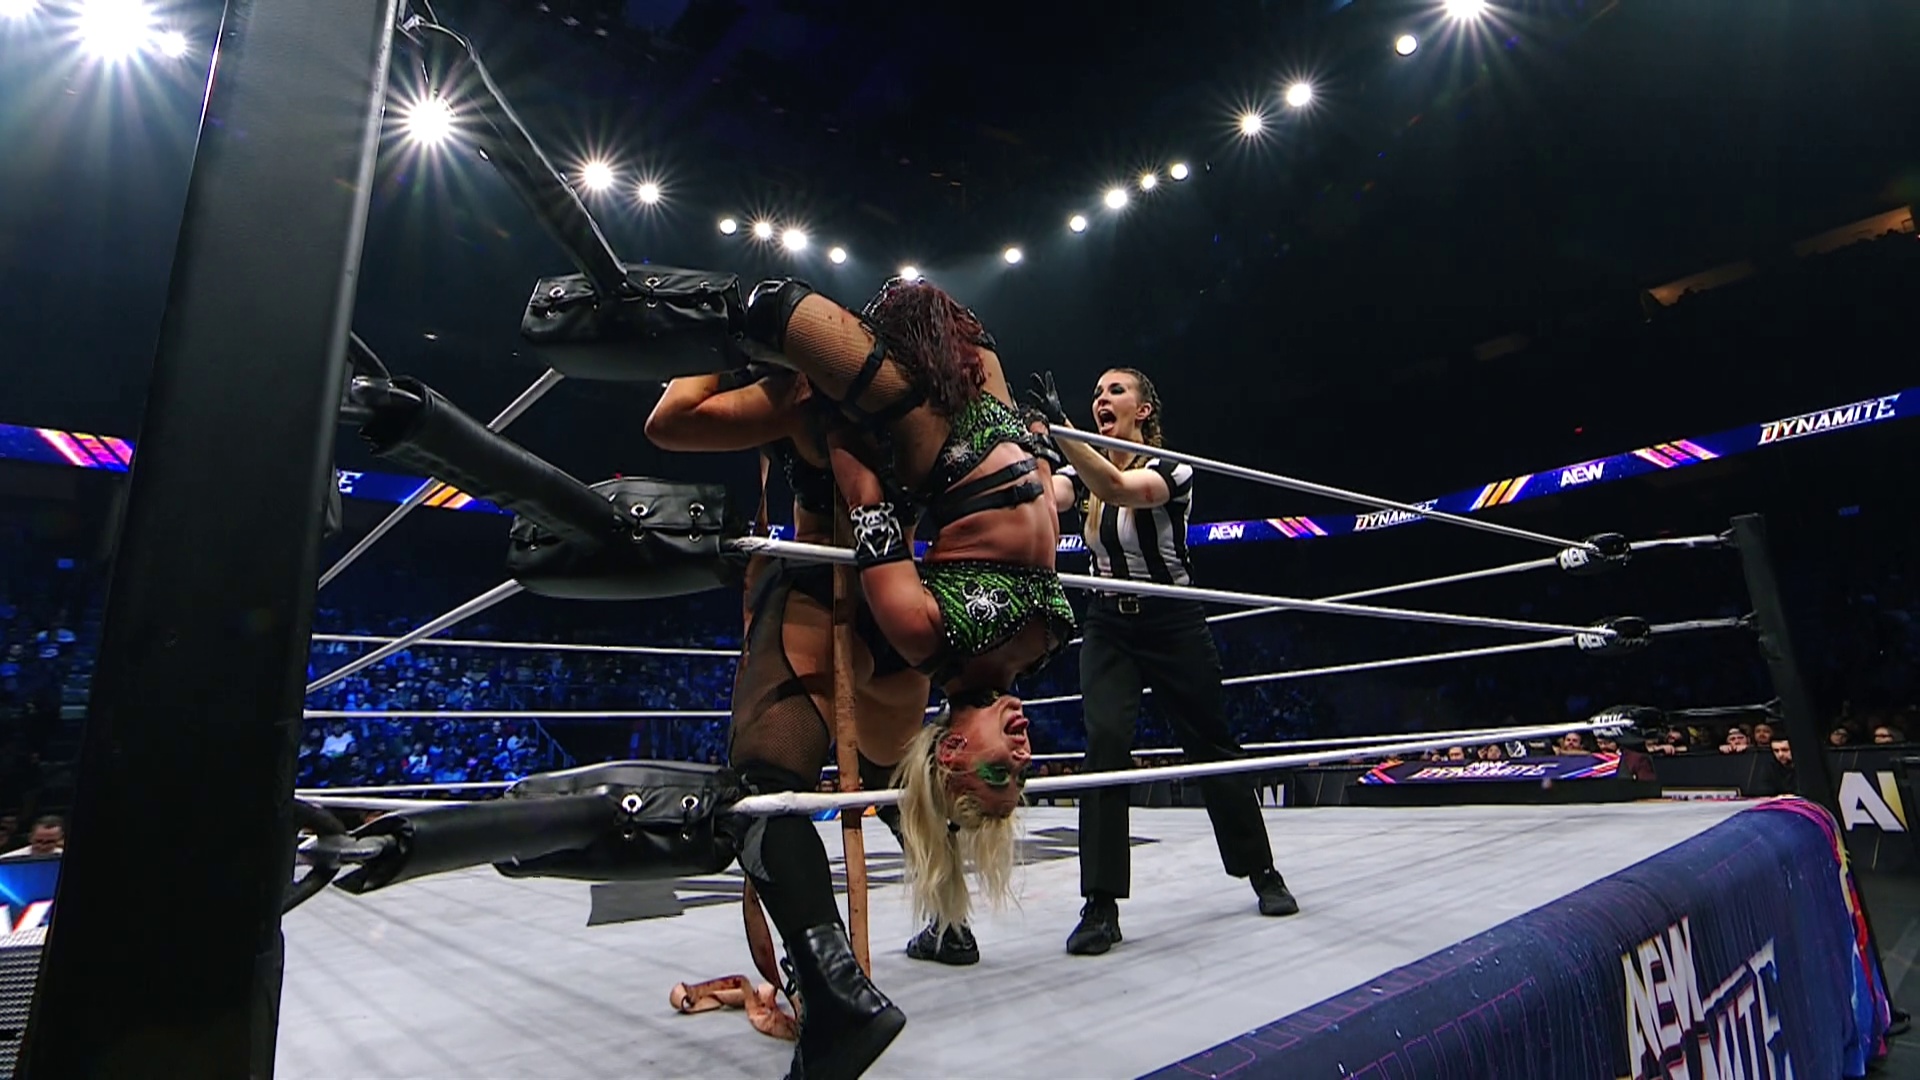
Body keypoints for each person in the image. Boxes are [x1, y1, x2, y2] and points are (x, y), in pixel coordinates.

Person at [647, 367, 984, 967]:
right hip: (899, 599)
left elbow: (669, 421)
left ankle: (826, 974)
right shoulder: (924, 399)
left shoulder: (801, 394)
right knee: (894, 783)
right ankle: (950, 922)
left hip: (820, 592)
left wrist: (725, 352)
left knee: (769, 789)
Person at [1028, 366, 1297, 956]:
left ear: (1143, 410)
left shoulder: (1171, 469)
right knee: (1104, 746)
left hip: (1172, 620)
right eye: (1096, 393)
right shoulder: (1081, 470)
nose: (1102, 398)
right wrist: (1039, 450)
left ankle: (1262, 871)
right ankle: (1100, 904)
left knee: (1210, 742)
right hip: (1108, 623)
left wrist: (1062, 432)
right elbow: (1048, 503)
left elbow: (1121, 490)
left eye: (1115, 391)